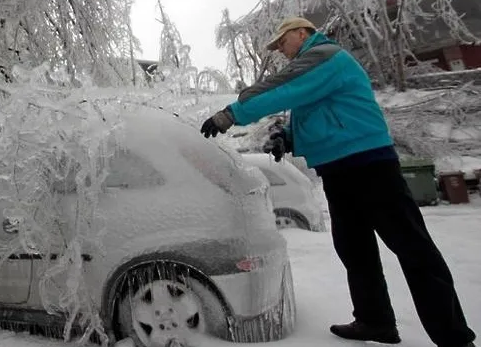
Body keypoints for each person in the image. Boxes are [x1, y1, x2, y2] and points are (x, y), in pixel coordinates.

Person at [200, 17, 476, 347]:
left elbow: (282, 88)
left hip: (368, 165)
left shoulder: (325, 56)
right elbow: (319, 111)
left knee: (413, 249)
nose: (281, 51)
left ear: (302, 32)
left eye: (282, 42)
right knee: (354, 249)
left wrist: (231, 114)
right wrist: (288, 138)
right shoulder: (316, 68)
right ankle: (375, 321)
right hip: (338, 170)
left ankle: (454, 338)